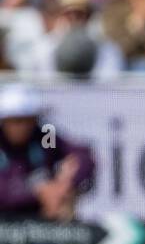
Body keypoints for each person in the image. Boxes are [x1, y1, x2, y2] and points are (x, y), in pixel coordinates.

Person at [0, 83, 96, 221]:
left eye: (28, 120)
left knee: (69, 171)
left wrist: (66, 184)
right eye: (16, 121)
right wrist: (38, 192)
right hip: (6, 220)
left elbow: (82, 155)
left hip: (44, 214)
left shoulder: (44, 136)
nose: (22, 127)